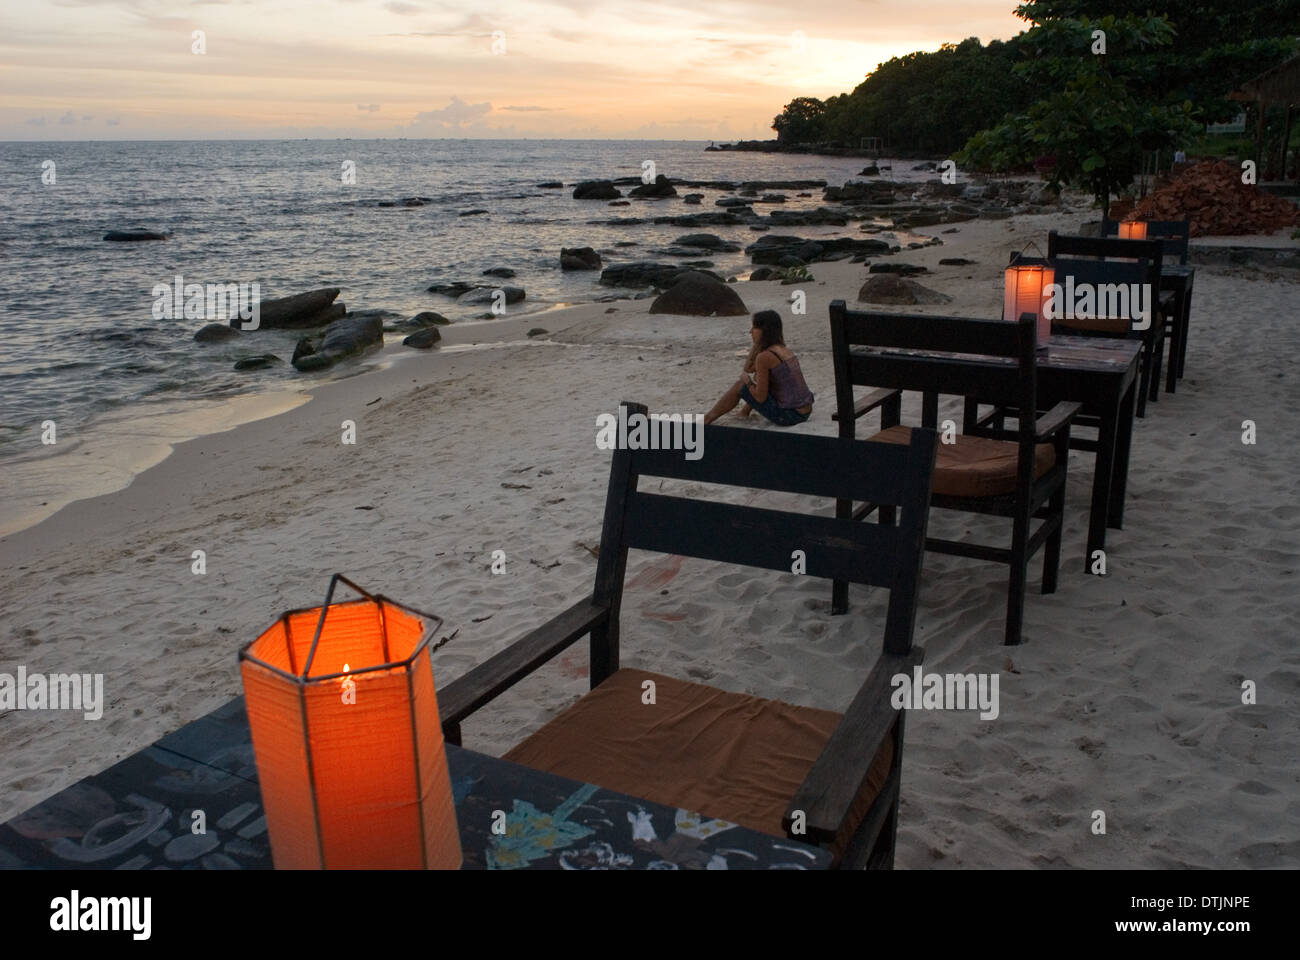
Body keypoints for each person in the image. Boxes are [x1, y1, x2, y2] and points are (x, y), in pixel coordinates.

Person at [703, 310, 814, 426]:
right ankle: (744, 412)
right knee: (760, 378)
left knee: (740, 385)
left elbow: (760, 397)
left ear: (765, 330)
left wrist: (748, 382)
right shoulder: (781, 349)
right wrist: (756, 345)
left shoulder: (765, 356)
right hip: (805, 411)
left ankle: (707, 419)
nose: (750, 331)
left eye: (754, 328)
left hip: (791, 416)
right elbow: (748, 369)